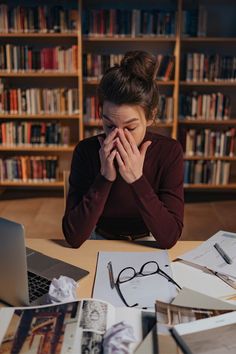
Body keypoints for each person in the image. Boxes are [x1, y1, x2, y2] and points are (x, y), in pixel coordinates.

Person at [62, 50, 184, 249]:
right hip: (98, 240)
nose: (118, 137)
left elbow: (169, 237)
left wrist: (137, 179)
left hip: (148, 243)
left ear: (151, 117)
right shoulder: (86, 151)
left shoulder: (169, 152)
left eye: (130, 128)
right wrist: (104, 178)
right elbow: (73, 237)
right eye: (109, 125)